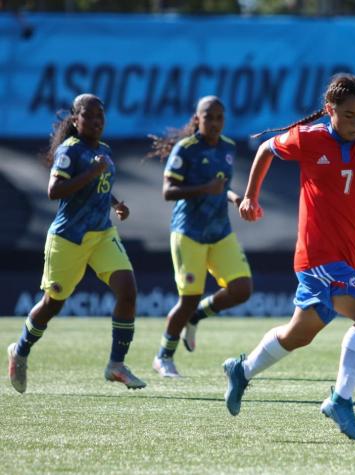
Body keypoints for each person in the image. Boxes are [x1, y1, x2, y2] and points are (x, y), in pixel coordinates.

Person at [222, 73, 355, 442]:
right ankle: (340, 399)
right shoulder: (309, 138)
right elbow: (266, 149)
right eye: (349, 115)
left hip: (344, 260)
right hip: (316, 256)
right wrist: (251, 196)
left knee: (299, 334)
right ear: (330, 111)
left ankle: (242, 370)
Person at [6, 93, 146, 392]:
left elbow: (98, 188)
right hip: (68, 238)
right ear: (76, 119)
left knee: (128, 291)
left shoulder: (104, 151)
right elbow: (54, 191)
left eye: (101, 115)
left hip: (101, 235)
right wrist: (92, 172)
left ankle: (116, 365)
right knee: (52, 304)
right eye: (90, 115)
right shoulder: (70, 151)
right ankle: (20, 349)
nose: (97, 120)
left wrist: (116, 203)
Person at [148, 96, 253, 378]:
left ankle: (196, 317)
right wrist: (205, 188)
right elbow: (168, 191)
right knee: (188, 299)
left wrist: (234, 197)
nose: (215, 123)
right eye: (209, 117)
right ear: (197, 119)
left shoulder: (228, 148)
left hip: (219, 231)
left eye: (220, 117)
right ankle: (163, 357)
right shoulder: (187, 148)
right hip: (189, 232)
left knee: (242, 288)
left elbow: (223, 185)